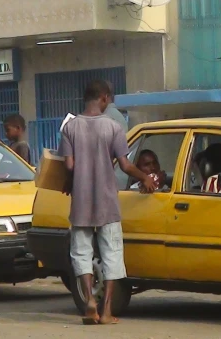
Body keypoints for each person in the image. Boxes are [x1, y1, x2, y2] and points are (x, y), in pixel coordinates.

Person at [59, 79, 156, 325]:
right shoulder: (112, 128)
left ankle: (89, 301)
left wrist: (71, 181)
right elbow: (125, 165)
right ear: (103, 98)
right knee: (112, 254)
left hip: (80, 201)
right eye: (109, 99)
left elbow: (69, 165)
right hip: (107, 202)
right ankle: (106, 311)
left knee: (81, 252)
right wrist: (144, 177)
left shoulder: (70, 128)